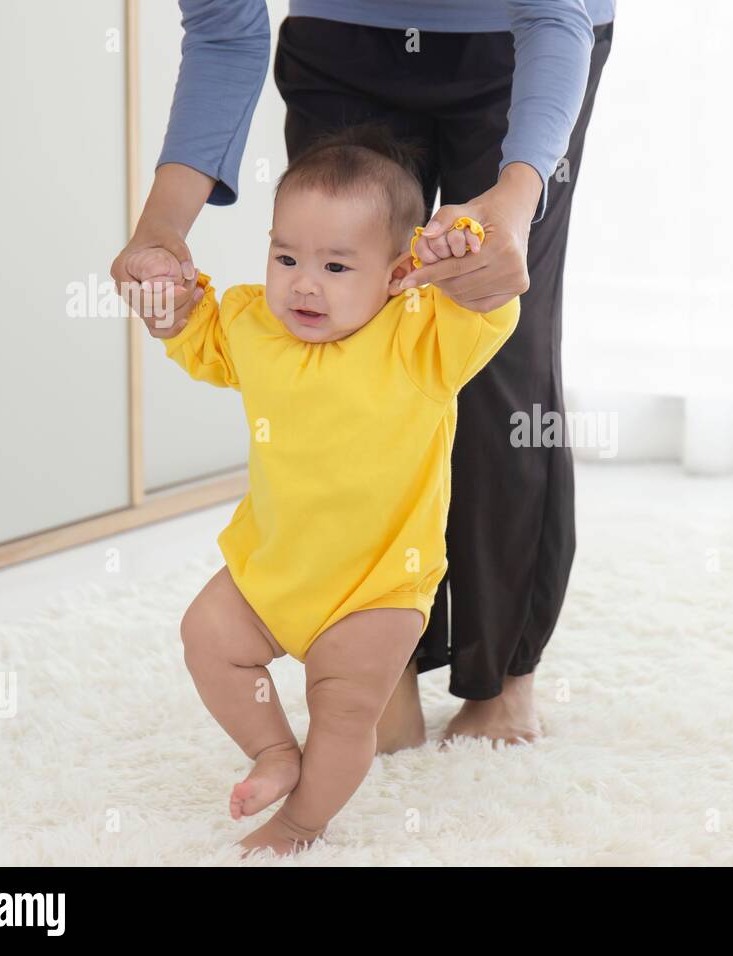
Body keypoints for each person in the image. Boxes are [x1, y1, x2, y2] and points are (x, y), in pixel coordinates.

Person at [111, 0, 615, 751]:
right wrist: (161, 229)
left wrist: (514, 200)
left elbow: (553, 14)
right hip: (342, 40)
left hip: (523, 39)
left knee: (493, 350)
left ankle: (502, 673)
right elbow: (222, 28)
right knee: (343, 333)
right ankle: (379, 661)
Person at [141, 127, 519, 856]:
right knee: (206, 637)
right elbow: (199, 337)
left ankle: (299, 822)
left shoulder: (422, 341)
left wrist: (464, 244)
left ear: (399, 271)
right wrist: (172, 300)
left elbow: (489, 306)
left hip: (377, 590)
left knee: (344, 714)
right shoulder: (255, 322)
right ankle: (273, 750)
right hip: (272, 569)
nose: (303, 282)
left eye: (336, 265)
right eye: (286, 256)